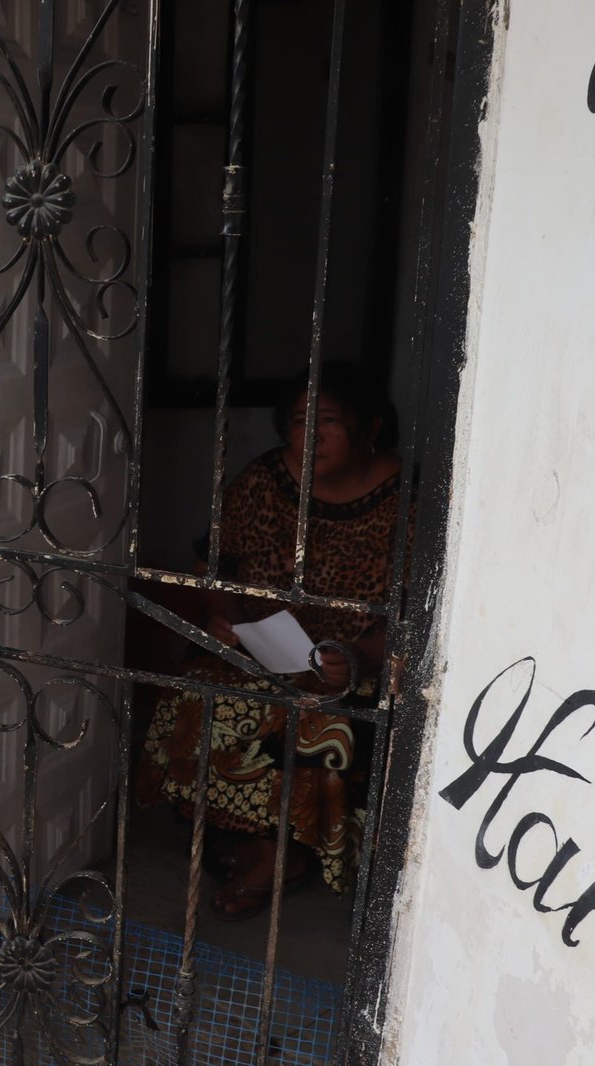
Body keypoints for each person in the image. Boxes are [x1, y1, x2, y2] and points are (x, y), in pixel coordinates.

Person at [136, 362, 403, 920]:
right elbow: (212, 569)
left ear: (371, 428)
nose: (311, 435)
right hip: (258, 649)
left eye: (328, 421)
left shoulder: (410, 498)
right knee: (200, 695)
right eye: (301, 421)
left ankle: (283, 852)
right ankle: (263, 847)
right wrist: (225, 621)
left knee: (320, 720)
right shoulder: (262, 480)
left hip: (354, 664)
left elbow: (419, 613)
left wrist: (356, 658)